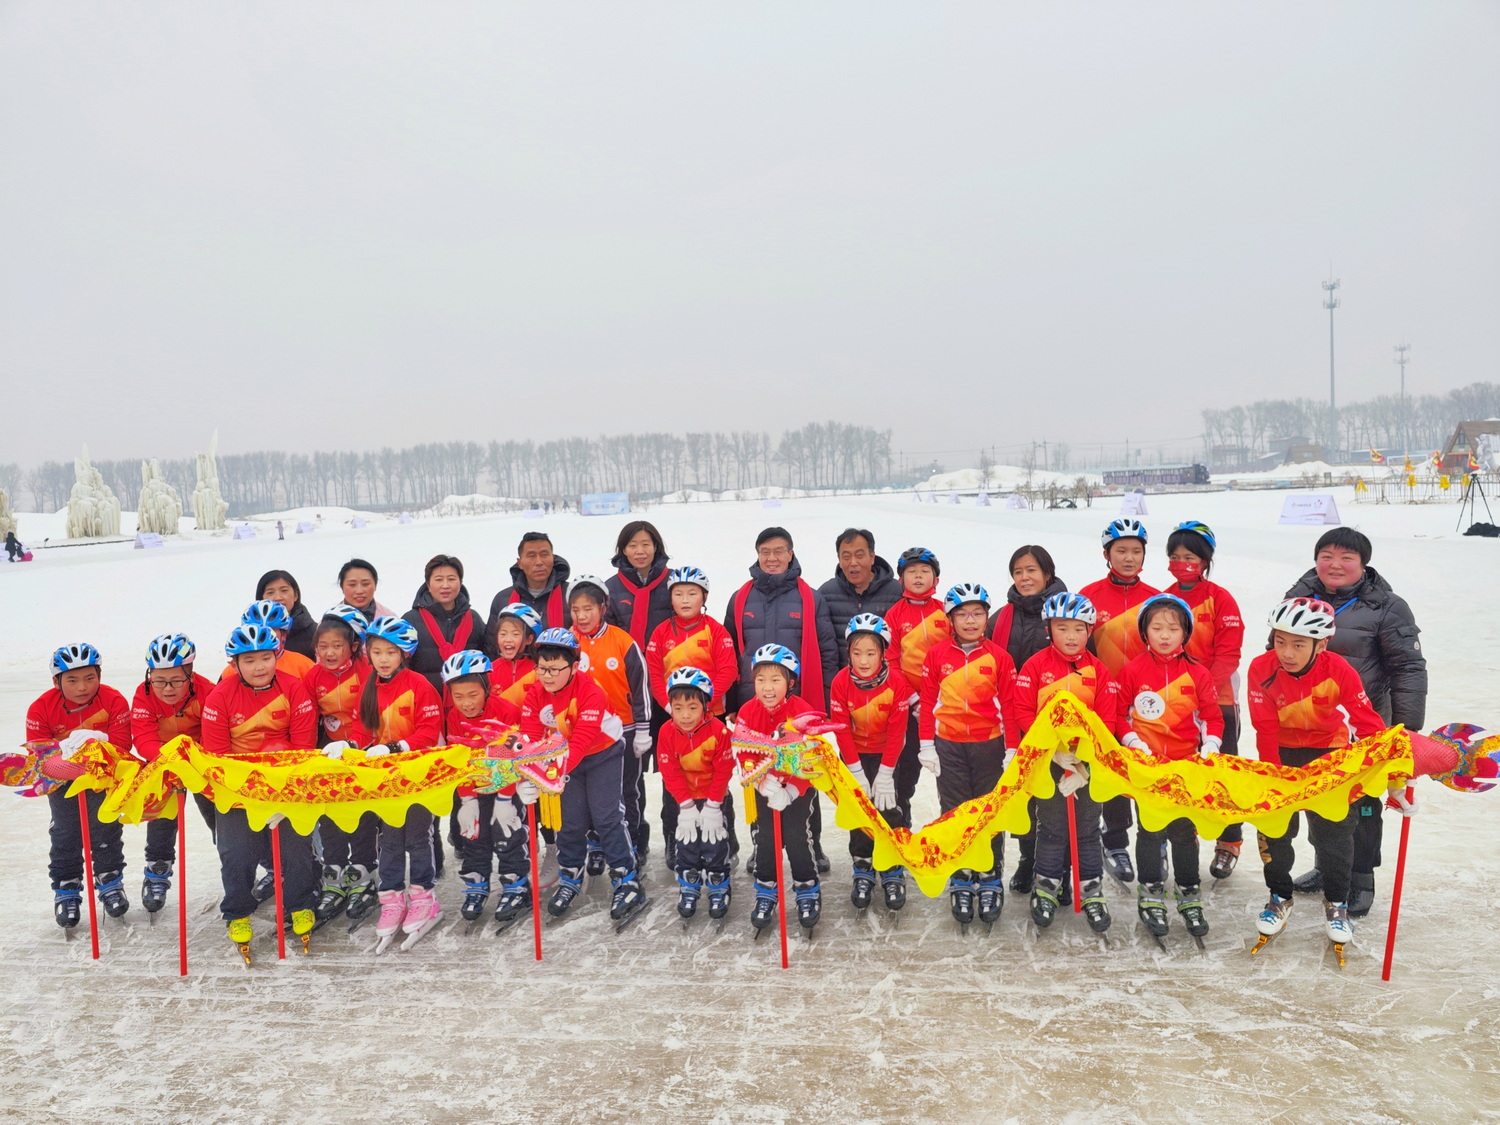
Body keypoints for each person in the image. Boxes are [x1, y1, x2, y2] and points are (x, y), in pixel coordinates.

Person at [1283, 526, 1427, 918]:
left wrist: (1407, 731)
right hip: (1310, 724)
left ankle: (1361, 878)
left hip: (1367, 726)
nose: (1335, 564)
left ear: (1363, 564)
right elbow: (1279, 653)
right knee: (1318, 800)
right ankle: (1327, 867)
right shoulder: (1299, 598)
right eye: (1327, 555)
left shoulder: (1388, 607)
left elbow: (1408, 669)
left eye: (1346, 557)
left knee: (1362, 807)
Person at [1248, 597, 1388, 954]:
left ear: (1320, 644)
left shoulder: (1339, 669)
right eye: (1280, 641)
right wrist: (1272, 776)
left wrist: (1396, 771)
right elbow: (1264, 729)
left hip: (1330, 754)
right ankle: (1279, 897)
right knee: (1275, 828)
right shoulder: (1260, 669)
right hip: (1281, 755)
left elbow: (1367, 722)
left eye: (1298, 644)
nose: (1287, 653)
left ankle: (1337, 904)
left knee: (1335, 834)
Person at [201, 624, 320, 959]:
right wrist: (250, 794)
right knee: (236, 853)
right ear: (235, 664)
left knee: (297, 848)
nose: (259, 667)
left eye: (266, 658)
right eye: (249, 660)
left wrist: (281, 794)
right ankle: (237, 912)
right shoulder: (220, 696)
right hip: (237, 789)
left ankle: (300, 903)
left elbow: (302, 747)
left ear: (276, 656)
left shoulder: (295, 689)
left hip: (286, 785)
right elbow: (217, 756)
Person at [724, 526, 837, 872]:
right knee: (758, 775)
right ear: (757, 554)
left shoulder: (810, 598)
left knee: (801, 777)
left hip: (797, 708)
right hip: (754, 704)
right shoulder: (741, 597)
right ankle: (762, 844)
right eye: (765, 551)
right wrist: (733, 704)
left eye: (779, 551)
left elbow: (828, 651)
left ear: (791, 553)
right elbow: (731, 651)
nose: (772, 558)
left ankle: (810, 842)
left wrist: (823, 705)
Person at [1116, 594, 1224, 945]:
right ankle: (1150, 890)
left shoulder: (1197, 673)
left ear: (1185, 632)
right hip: (1147, 768)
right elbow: (1118, 715)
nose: (1165, 635)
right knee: (1149, 831)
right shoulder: (1132, 670)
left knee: (1183, 831)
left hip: (1185, 768)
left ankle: (1189, 890)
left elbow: (1212, 717)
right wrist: (1132, 740)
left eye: (1173, 628)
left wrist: (1211, 745)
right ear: (1145, 632)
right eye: (1157, 628)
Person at [1013, 593, 1118, 934]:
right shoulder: (1035, 666)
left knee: (1088, 829)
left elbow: (1107, 722)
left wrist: (1085, 763)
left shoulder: (1098, 671)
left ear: (1090, 631)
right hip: (1050, 762)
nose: (1071, 636)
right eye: (1062, 628)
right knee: (1053, 827)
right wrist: (1054, 751)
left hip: (1087, 766)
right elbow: (1024, 712)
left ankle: (1091, 890)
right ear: (1049, 629)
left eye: (1079, 629)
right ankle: (1046, 887)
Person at [524, 628, 644, 925]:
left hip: (602, 751)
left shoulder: (590, 690)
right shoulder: (535, 691)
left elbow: (582, 740)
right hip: (565, 757)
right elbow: (529, 736)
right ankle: (570, 875)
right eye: (541, 668)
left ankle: (626, 878)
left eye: (554, 669)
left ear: (574, 667)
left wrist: (549, 774)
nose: (547, 675)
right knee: (571, 818)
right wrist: (527, 774)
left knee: (606, 816)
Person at [918, 583, 1020, 928]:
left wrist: (1012, 749)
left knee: (988, 815)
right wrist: (925, 745)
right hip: (948, 745)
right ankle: (961, 876)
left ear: (987, 617)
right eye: (962, 614)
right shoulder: (936, 656)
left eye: (977, 613)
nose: (971, 620)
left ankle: (989, 877)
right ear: (951, 619)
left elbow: (1009, 704)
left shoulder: (999, 658)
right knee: (956, 812)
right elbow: (928, 700)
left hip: (989, 744)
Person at [340, 616, 444, 951]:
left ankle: (424, 896)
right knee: (388, 840)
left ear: (405, 654)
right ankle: (392, 899)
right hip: (385, 781)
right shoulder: (368, 686)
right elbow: (361, 731)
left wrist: (396, 747)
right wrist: (349, 746)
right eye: (377, 651)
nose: (383, 659)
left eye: (391, 652)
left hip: (417, 776)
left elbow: (429, 732)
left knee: (417, 836)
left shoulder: (419, 685)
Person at [27, 643, 133, 928]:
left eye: (90, 677)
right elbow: (39, 759)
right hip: (62, 780)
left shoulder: (114, 700)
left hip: (103, 774)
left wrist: (102, 739)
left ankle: (110, 880)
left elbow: (123, 746)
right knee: (65, 831)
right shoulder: (40, 708)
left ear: (99, 674)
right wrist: (62, 753)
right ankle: (67, 888)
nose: (82, 687)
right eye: (72, 680)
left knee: (106, 825)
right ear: (56, 681)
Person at [1162, 521, 1246, 879]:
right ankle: (1187, 833)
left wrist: (1203, 690)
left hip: (1218, 700)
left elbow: (1229, 652)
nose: (1182, 563)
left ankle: (1229, 843)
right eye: (1175, 557)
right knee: (1183, 774)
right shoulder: (1164, 597)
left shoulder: (1220, 598)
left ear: (1206, 560)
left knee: (1223, 773)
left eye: (1190, 557)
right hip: (1174, 705)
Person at [1078, 518, 1158, 885]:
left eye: (1136, 551)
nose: (1129, 558)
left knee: (1147, 767)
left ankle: (1154, 837)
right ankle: (1115, 840)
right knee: (1110, 772)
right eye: (1121, 550)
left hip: (1149, 702)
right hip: (1103, 699)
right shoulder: (1089, 596)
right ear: (1106, 554)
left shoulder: (1157, 599)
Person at [644, 566, 739, 865]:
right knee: (673, 779)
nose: (685, 600)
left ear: (704, 596)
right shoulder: (660, 633)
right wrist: (669, 705)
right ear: (670, 598)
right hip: (674, 715)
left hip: (711, 716)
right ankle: (675, 839)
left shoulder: (715, 631)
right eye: (679, 594)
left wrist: (705, 703)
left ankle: (728, 841)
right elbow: (655, 672)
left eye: (692, 593)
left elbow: (729, 670)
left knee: (717, 778)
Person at [987, 543, 1068, 895]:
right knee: (1023, 797)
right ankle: (1027, 859)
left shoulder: (1067, 612)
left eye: (1031, 570)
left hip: (1058, 725)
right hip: (1016, 723)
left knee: (1058, 800)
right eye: (1018, 572)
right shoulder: (999, 619)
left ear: (1047, 574)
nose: (1024, 578)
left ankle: (1060, 867)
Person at [735, 644, 824, 935]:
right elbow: (743, 751)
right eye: (761, 679)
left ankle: (806, 886)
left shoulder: (802, 713)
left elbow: (811, 760)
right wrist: (762, 781)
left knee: (797, 835)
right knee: (766, 838)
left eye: (775, 679)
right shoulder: (747, 711)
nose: (767, 687)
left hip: (796, 788)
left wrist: (791, 790)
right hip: (764, 787)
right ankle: (766, 888)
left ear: (791, 682)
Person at [128, 634, 217, 915]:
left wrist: (194, 761)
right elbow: (143, 738)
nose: (167, 688)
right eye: (158, 680)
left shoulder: (208, 691)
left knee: (219, 816)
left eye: (176, 680)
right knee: (162, 818)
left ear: (190, 674)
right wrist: (170, 761)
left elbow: (216, 733)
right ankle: (157, 873)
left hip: (200, 760)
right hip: (164, 762)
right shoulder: (143, 694)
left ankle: (240, 862)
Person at [567, 576, 652, 868]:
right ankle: (597, 844)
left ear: (603, 607)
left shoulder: (622, 641)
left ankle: (634, 840)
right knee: (590, 793)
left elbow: (640, 686)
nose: (581, 616)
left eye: (588, 608)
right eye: (576, 609)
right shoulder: (568, 641)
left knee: (627, 790)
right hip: (581, 732)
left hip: (624, 731)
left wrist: (642, 729)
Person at [828, 614, 911, 912]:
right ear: (848, 653)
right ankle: (863, 865)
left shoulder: (896, 683)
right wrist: (855, 771)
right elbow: (842, 731)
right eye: (857, 652)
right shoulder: (840, 682)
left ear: (883, 653)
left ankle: (891, 866)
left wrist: (886, 773)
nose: (864, 660)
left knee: (889, 808)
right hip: (855, 756)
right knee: (859, 812)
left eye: (871, 653)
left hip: (887, 754)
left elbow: (897, 731)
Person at [444, 651, 532, 928]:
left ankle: (516, 886)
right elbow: (458, 758)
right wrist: (466, 799)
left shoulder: (506, 712)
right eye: (458, 697)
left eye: (472, 694)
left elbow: (515, 758)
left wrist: (506, 800)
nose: (466, 703)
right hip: (475, 787)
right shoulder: (453, 716)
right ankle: (476, 883)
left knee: (506, 834)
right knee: (473, 835)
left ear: (486, 688)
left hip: (507, 789)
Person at [303, 605, 379, 923]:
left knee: (360, 818)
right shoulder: (312, 676)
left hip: (363, 755)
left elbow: (369, 719)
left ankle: (363, 877)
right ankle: (334, 878)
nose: (330, 652)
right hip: (330, 758)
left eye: (337, 646)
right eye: (323, 647)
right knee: (330, 817)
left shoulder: (366, 672)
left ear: (353, 646)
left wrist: (353, 748)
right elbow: (307, 720)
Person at [656, 667, 735, 922]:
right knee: (686, 841)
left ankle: (718, 881)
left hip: (714, 796)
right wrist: (686, 807)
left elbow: (724, 770)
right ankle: (688, 881)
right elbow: (670, 771)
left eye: (692, 707)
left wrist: (713, 806)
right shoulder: (666, 732)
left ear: (705, 705)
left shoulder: (719, 732)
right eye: (677, 708)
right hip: (684, 797)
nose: (685, 715)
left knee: (715, 841)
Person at [884, 547, 950, 827]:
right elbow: (891, 663)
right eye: (911, 572)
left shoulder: (946, 612)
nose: (919, 576)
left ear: (936, 578)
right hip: (911, 711)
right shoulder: (894, 615)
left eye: (925, 571)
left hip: (946, 708)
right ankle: (901, 835)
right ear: (901, 579)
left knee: (951, 782)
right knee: (905, 779)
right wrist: (914, 701)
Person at [403, 554, 490, 693]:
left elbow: (487, 659)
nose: (445, 585)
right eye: (438, 579)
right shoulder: (411, 620)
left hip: (466, 703)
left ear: (460, 584)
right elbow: (403, 667)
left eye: (451, 579)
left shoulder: (473, 619)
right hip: (425, 700)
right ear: (428, 585)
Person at [817, 528, 900, 667]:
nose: (853, 562)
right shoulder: (826, 593)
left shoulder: (896, 591)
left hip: (886, 682)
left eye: (859, 556)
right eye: (846, 557)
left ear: (872, 557)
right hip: (841, 682)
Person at [487, 531, 572, 648]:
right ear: (520, 563)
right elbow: (492, 646)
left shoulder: (571, 595)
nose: (539, 562)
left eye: (544, 555)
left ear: (553, 558)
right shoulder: (503, 600)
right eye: (531, 556)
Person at [218, 600, 315, 681]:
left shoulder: (304, 666)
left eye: (271, 629)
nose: (262, 635)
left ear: (284, 634)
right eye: (256, 628)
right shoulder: (231, 671)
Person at [490, 603, 541, 711]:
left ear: (529, 639)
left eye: (515, 634)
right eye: (503, 634)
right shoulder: (490, 670)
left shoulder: (538, 671)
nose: (508, 639)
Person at [256, 570, 317, 660]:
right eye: (270, 592)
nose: (277, 597)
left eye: (284, 591)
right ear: (261, 599)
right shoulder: (252, 632)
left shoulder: (316, 633)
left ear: (296, 595)